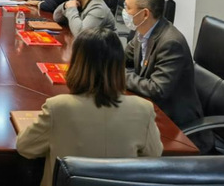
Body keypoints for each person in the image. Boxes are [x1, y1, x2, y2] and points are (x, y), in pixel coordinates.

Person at [16, 28, 163, 186]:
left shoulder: (57, 108)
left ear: (76, 64)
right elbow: (154, 156)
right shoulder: (143, 110)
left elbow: (25, 146)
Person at [123, 0, 211, 153]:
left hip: (175, 122)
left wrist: (120, 75)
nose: (124, 12)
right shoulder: (142, 32)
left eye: (128, 7)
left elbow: (157, 89)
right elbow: (124, 58)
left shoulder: (170, 42)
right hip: (152, 108)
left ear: (145, 13)